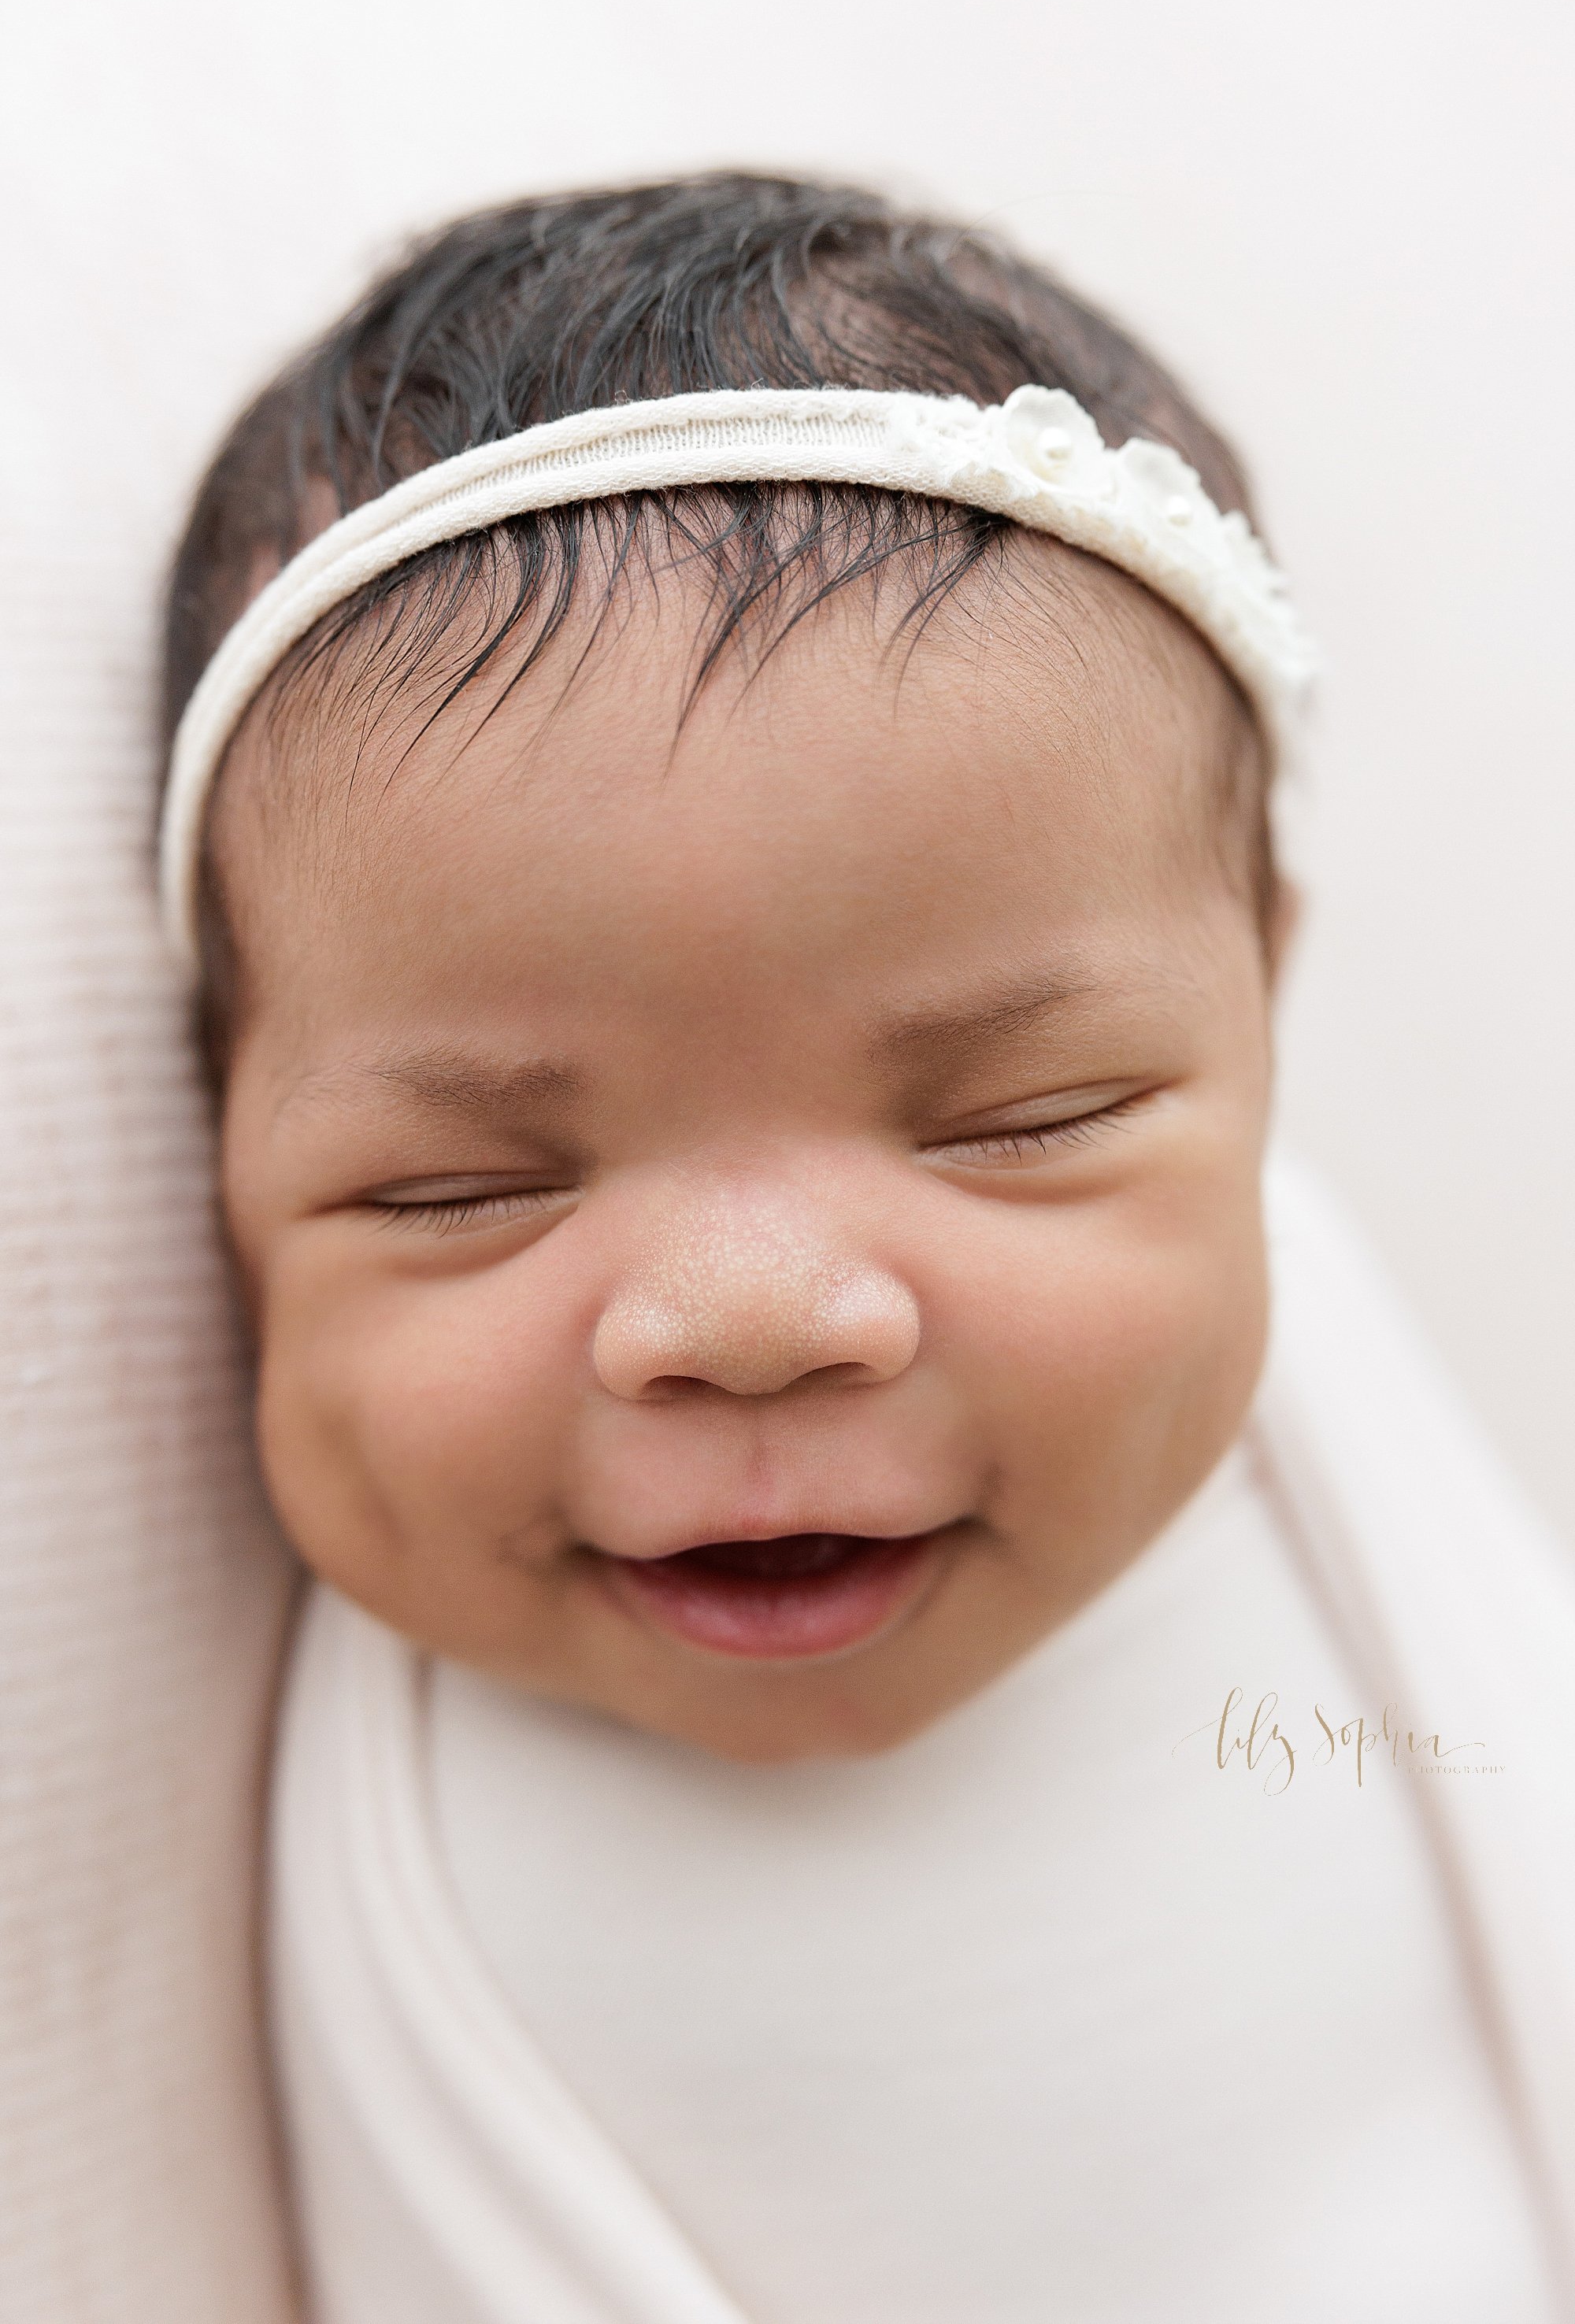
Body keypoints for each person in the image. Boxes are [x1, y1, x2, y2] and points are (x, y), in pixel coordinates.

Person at [159, 172, 1575, 2322]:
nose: (754, 1324)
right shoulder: (427, 1884)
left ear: (1262, 1018)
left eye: (1025, 1123)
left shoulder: (1344, 1449)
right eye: (464, 1188)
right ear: (218, 1138)